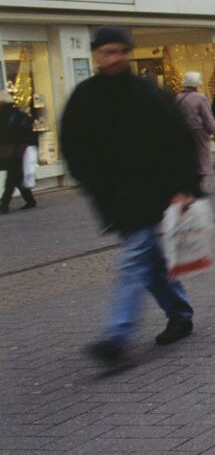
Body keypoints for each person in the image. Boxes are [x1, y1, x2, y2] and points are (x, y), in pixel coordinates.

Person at [60, 26, 199, 366]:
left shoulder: (147, 93)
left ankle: (116, 338)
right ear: (95, 55)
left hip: (155, 193)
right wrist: (94, 184)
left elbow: (180, 141)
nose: (115, 58)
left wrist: (185, 188)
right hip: (116, 197)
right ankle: (180, 313)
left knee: (134, 261)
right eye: (108, 52)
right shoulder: (84, 97)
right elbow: (74, 147)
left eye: (121, 51)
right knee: (149, 265)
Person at [175, 72, 215, 192]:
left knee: (190, 157)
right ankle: (198, 185)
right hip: (199, 131)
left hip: (184, 132)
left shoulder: (179, 97)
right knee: (202, 157)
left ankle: (191, 183)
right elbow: (208, 117)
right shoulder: (200, 97)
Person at [0, 89, 38, 212]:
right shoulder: (18, 112)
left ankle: (4, 205)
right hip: (16, 150)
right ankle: (30, 200)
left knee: (11, 179)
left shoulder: (7, 114)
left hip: (12, 150)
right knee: (15, 178)